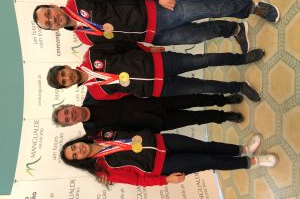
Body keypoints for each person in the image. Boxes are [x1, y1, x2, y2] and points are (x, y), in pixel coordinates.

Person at [33, 0, 280, 53]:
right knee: (201, 33)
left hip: (156, 10)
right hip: (157, 36)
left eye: (48, 14)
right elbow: (121, 45)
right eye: (48, 24)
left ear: (53, 7)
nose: (52, 20)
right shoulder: (85, 39)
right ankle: (235, 31)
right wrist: (146, 49)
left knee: (207, 8)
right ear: (52, 30)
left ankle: (251, 7)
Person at [47, 42, 264, 102]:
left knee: (203, 60)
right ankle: (240, 87)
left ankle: (242, 59)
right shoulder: (97, 93)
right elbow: (126, 93)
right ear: (66, 86)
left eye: (63, 74)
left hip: (160, 63)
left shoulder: (93, 54)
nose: (68, 78)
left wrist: (147, 50)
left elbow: (124, 45)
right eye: (64, 82)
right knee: (203, 87)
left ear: (66, 67)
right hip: (160, 89)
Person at [61, 129, 278, 186]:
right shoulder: (105, 171)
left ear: (76, 141)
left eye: (73, 147)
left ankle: (244, 149)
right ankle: (254, 162)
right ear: (79, 161)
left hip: (162, 142)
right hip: (163, 165)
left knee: (206, 146)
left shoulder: (101, 134)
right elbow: (139, 180)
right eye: (74, 155)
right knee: (208, 160)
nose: (77, 150)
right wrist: (166, 180)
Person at [52, 91, 245, 134]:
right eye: (68, 120)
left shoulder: (93, 94)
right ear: (71, 124)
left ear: (69, 105)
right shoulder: (93, 133)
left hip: (153, 100)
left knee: (194, 99)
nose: (71, 115)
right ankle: (224, 117)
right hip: (152, 123)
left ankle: (224, 99)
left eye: (67, 112)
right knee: (194, 118)